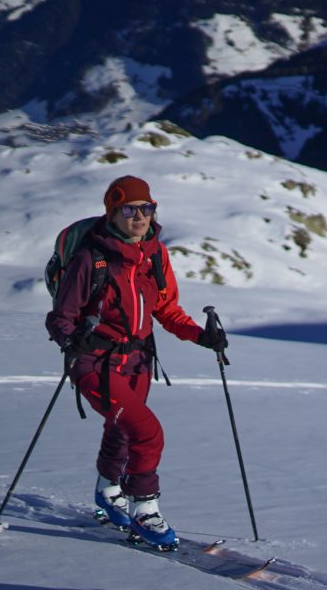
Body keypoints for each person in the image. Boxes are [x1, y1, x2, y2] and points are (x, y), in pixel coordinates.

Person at [45, 175, 227, 550]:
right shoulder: (89, 258)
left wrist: (202, 336)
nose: (139, 216)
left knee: (122, 430)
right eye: (129, 209)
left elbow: (166, 309)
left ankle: (108, 491)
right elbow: (60, 317)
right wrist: (70, 337)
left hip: (138, 361)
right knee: (146, 432)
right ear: (112, 212)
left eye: (147, 208)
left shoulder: (155, 254)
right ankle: (145, 510)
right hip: (94, 362)